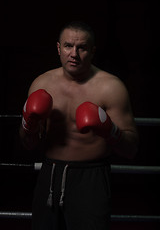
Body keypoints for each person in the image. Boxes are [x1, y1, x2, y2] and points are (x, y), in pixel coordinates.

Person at [19, 21, 139, 230]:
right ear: (58, 48)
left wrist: (108, 130)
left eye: (81, 47)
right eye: (68, 46)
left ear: (92, 51)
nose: (74, 53)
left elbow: (131, 149)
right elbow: (28, 144)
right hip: (50, 175)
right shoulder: (42, 83)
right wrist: (28, 125)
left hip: (90, 178)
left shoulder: (110, 87)